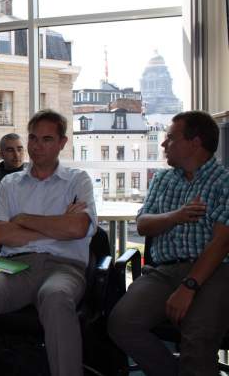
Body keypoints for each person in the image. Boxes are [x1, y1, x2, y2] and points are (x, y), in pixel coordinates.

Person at [0, 109, 97, 376]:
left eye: (47, 139)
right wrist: (57, 226)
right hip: (14, 265)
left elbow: (77, 228)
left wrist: (23, 220)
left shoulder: (77, 180)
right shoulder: (10, 183)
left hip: (63, 266)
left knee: (56, 297)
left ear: (62, 143)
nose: (36, 146)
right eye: (33, 138)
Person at [108, 111, 229, 376]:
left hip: (213, 271)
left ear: (194, 143)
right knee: (121, 323)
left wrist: (189, 286)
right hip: (163, 272)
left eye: (170, 138)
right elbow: (143, 224)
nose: (163, 144)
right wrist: (176, 216)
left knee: (197, 338)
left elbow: (222, 243)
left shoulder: (225, 182)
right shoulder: (163, 179)